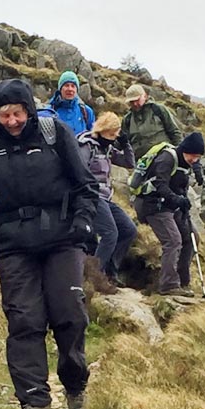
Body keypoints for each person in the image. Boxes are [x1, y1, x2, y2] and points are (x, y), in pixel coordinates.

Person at [0, 78, 99, 409]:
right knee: (24, 319)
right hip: (13, 246)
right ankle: (34, 401)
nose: (11, 122)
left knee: (69, 313)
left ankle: (75, 384)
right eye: (3, 115)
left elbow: (85, 185)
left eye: (17, 113)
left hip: (63, 239)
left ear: (29, 110)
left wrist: (84, 222)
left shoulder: (55, 134)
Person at [133, 132, 205, 296]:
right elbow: (160, 185)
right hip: (152, 204)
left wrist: (197, 170)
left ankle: (182, 281)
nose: (194, 160)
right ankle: (168, 285)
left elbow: (180, 183)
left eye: (198, 157)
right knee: (173, 241)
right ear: (185, 150)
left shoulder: (187, 160)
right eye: (193, 156)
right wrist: (177, 200)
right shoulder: (167, 158)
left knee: (192, 236)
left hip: (170, 205)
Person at [77, 111, 137, 286]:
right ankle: (94, 275)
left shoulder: (108, 147)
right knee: (110, 233)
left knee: (128, 230)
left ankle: (111, 272)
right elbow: (80, 171)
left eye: (116, 134)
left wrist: (126, 144)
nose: (113, 137)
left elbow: (129, 163)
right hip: (91, 196)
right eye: (111, 134)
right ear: (102, 130)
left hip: (106, 197)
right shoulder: (87, 145)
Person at [121, 84, 183, 159]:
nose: (135, 104)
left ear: (145, 96)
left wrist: (179, 154)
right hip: (141, 163)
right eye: (131, 101)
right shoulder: (127, 119)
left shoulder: (158, 110)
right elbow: (123, 142)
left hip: (163, 158)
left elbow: (174, 132)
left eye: (137, 100)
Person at [48, 70, 95, 135]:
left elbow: (93, 136)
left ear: (76, 90)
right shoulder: (49, 111)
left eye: (73, 86)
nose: (70, 89)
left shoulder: (86, 112)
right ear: (60, 89)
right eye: (66, 85)